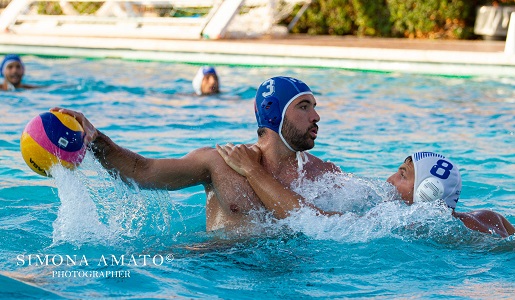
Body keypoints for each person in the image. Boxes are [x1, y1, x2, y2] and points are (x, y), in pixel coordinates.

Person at [53, 76, 340, 232]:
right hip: (218, 270)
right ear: (272, 112)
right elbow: (144, 172)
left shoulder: (324, 174)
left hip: (295, 278)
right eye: (303, 107)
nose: (316, 116)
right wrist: (98, 140)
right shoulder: (219, 163)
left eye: (314, 106)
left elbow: (336, 227)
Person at [216, 145, 515, 238]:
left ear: (426, 193)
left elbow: (314, 220)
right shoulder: (491, 217)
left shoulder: (412, 224)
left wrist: (253, 172)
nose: (389, 179)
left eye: (402, 175)